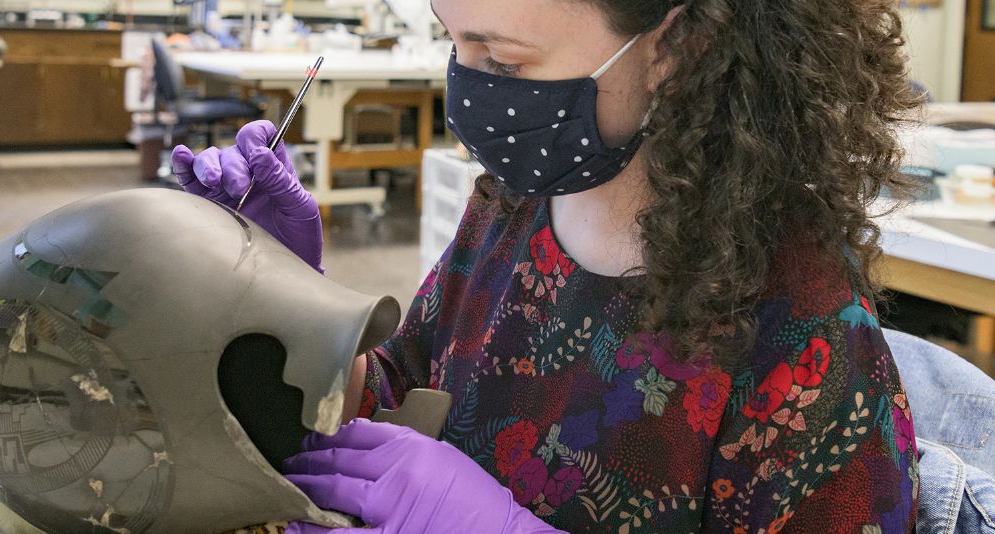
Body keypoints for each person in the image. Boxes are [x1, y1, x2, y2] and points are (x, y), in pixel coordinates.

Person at [172, 0, 922, 531]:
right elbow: (397, 395)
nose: (467, 87)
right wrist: (285, 300)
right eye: (455, 43)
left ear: (675, 47)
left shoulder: (802, 330)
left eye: (501, 58)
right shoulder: (511, 206)